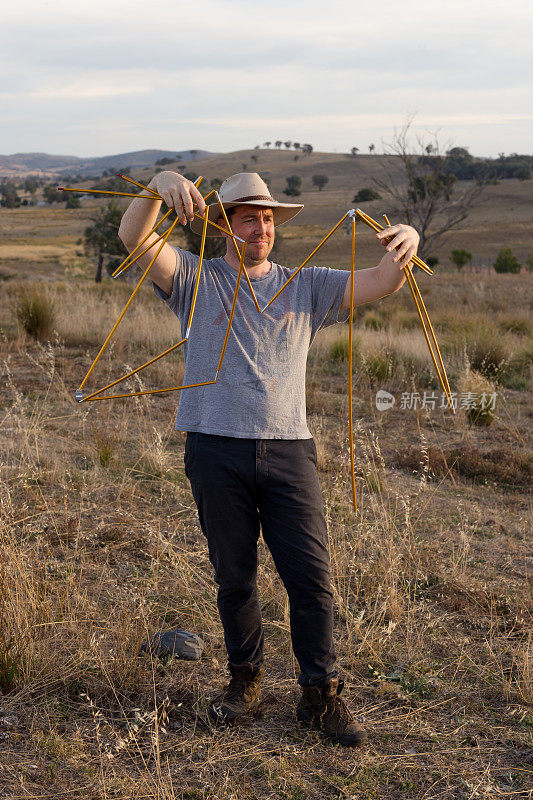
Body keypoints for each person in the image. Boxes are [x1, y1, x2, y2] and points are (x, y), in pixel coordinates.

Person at [118, 171, 419, 747]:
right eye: (250, 217)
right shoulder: (194, 278)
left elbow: (381, 280)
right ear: (225, 224)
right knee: (235, 578)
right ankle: (245, 684)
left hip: (289, 451)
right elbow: (136, 238)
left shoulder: (307, 286)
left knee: (311, 580)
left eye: (268, 218)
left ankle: (320, 695)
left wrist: (404, 242)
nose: (261, 227)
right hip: (214, 448)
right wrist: (156, 186)